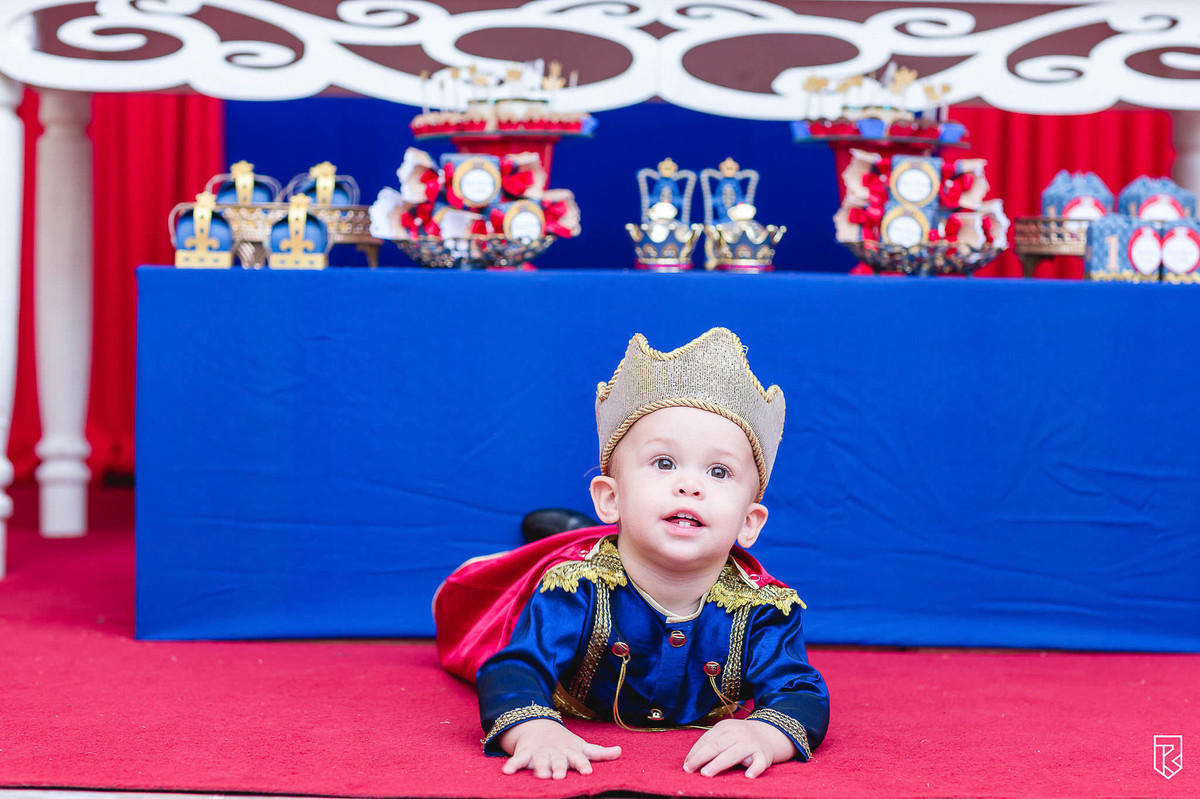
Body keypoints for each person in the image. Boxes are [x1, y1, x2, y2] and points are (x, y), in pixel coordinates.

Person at [434, 327, 829, 780]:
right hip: (594, 565)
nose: (689, 485)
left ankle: (590, 525)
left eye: (719, 472)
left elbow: (800, 689)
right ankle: (577, 534)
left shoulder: (765, 610)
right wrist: (533, 727)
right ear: (610, 498)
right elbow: (515, 666)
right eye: (664, 463)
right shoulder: (574, 589)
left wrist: (768, 733)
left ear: (749, 523)